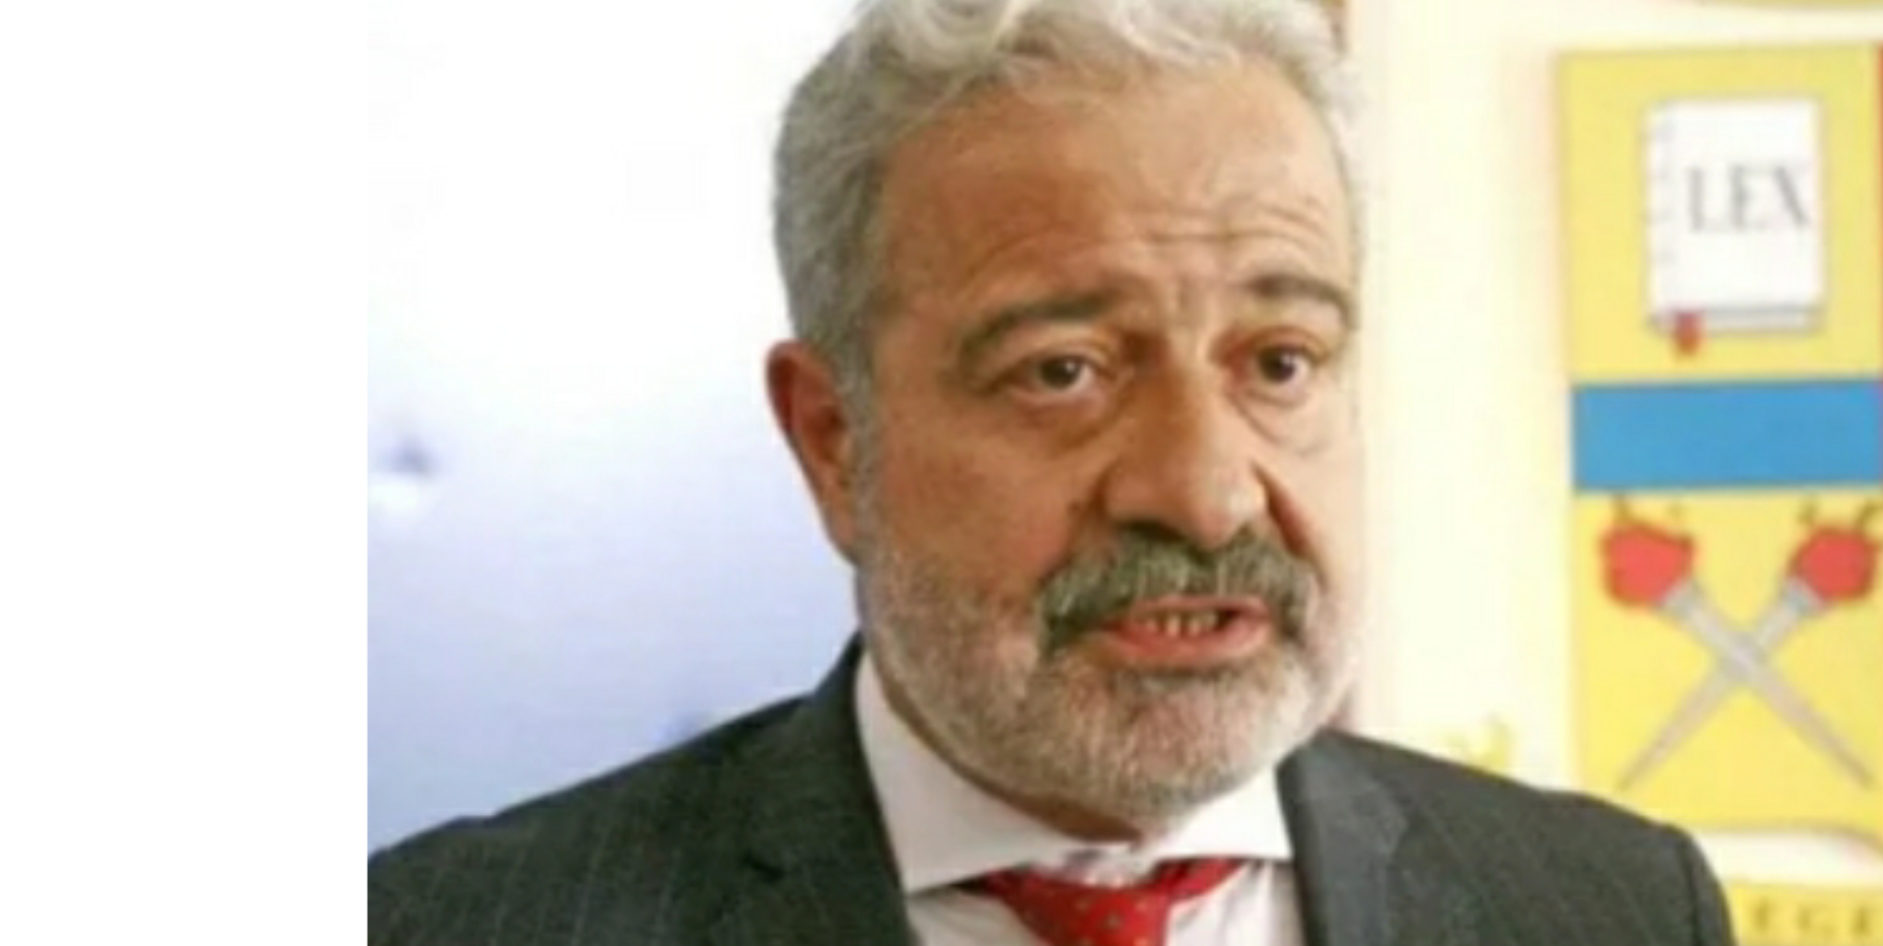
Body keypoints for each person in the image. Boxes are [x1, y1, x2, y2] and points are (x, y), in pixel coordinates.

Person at [368, 0, 1736, 943]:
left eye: (1279, 361)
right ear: (835, 440)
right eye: (1065, 371)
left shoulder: (1610, 907)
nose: (1206, 493)